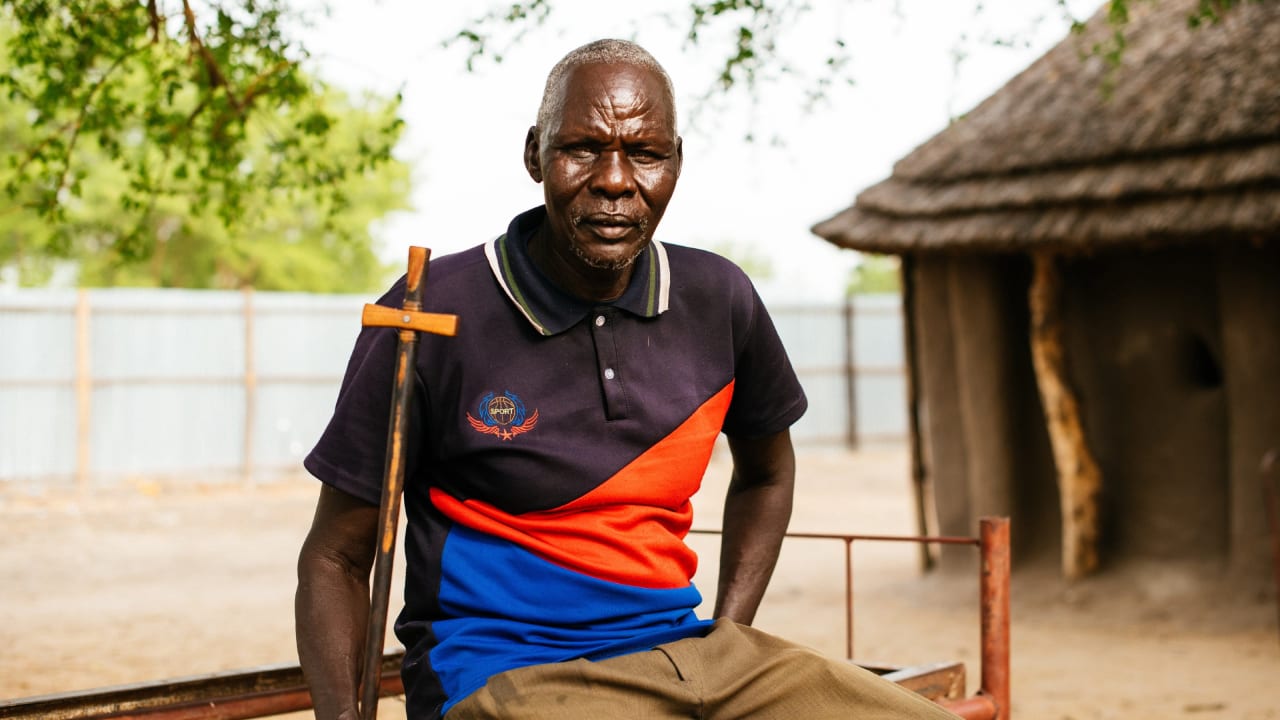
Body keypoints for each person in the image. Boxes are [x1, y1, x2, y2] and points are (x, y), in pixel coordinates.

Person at [295, 38, 959, 720]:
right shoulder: (429, 312)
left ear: (674, 161)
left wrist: (730, 631)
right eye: (582, 148)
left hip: (689, 652)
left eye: (645, 154)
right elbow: (336, 558)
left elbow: (767, 473)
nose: (615, 180)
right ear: (534, 155)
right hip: (508, 670)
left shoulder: (718, 298)